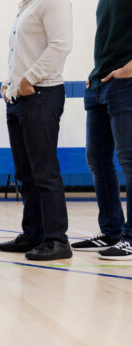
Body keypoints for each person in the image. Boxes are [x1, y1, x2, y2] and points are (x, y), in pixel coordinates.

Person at [0, 0, 73, 261]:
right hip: (17, 98)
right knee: (25, 173)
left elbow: (61, 45)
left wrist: (29, 78)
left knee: (44, 171)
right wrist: (8, 83)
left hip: (41, 93)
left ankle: (57, 239)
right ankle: (33, 234)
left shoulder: (53, 2)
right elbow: (20, 51)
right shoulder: (25, 6)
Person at [71, 0, 132, 260]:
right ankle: (111, 231)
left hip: (125, 83)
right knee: (97, 159)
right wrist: (96, 73)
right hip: (100, 83)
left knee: (129, 160)